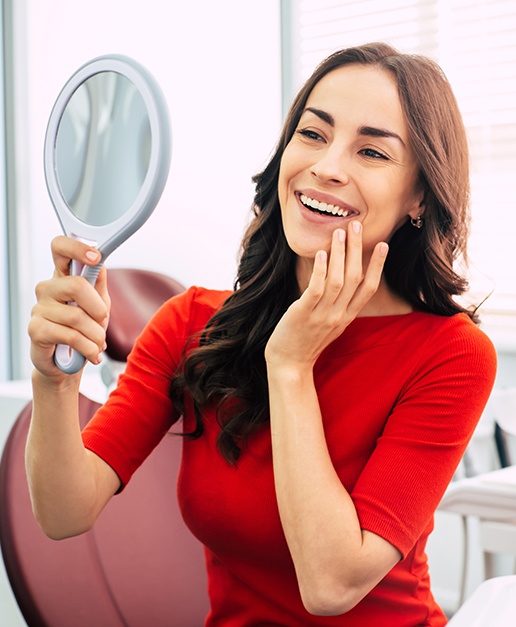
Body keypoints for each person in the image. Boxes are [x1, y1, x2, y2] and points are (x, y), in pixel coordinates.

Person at [28, 42, 497, 626]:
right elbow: (62, 514)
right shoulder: (190, 324)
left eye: (372, 150)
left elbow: (330, 585)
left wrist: (292, 366)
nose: (327, 166)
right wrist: (51, 383)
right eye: (312, 134)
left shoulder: (451, 355)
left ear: (420, 197)